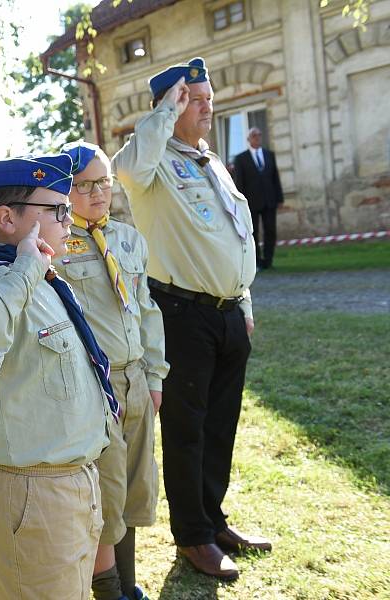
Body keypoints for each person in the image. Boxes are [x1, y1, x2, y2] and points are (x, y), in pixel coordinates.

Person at [113, 58, 271, 582]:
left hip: (227, 316)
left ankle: (213, 521)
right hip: (182, 315)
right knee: (186, 431)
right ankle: (192, 537)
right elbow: (128, 168)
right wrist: (165, 111)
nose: (208, 107)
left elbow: (236, 236)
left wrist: (243, 302)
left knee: (220, 427)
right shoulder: (153, 166)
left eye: (207, 98)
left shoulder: (213, 162)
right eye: (195, 100)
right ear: (171, 106)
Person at [0, 154, 114, 600]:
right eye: (56, 211)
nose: (68, 220)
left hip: (70, 482)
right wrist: (25, 272)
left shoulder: (40, 277)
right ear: (7, 218)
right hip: (32, 493)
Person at [55, 141, 168, 600]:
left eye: (103, 181)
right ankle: (108, 590)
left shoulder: (126, 238)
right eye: (84, 185)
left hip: (136, 377)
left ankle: (128, 583)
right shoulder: (56, 245)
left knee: (138, 487)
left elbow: (146, 309)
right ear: (65, 191)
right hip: (95, 386)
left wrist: (154, 375)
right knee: (107, 490)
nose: (98, 192)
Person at [233, 127, 284, 270]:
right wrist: (240, 202)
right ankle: (256, 262)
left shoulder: (269, 155)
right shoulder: (241, 158)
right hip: (251, 202)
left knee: (270, 231)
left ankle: (268, 261)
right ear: (249, 139)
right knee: (253, 232)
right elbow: (239, 183)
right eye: (254, 136)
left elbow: (275, 178)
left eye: (259, 135)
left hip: (269, 200)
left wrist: (279, 199)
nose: (257, 138)